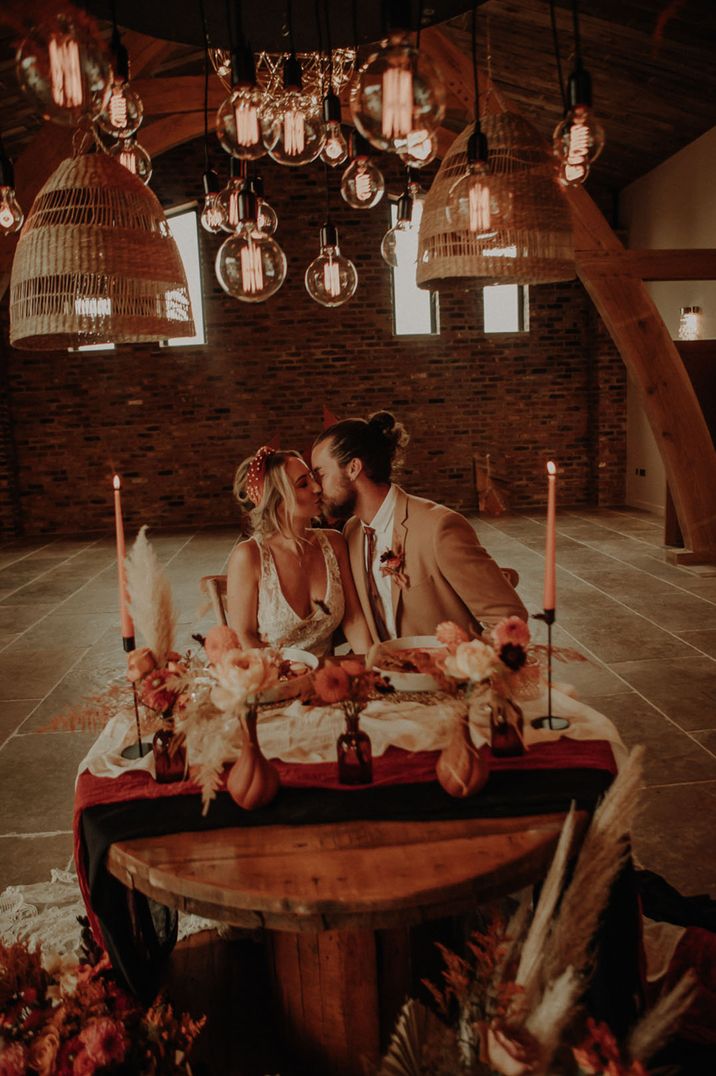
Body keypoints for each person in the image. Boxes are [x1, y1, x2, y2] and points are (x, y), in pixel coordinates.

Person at [311, 412, 528, 643]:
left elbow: (508, 618)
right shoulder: (352, 532)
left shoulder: (439, 528)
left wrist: (466, 669)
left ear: (353, 468)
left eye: (320, 474)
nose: (315, 488)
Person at [226, 446, 372, 656]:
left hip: (328, 677)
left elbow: (354, 619)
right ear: (276, 499)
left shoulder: (334, 543)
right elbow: (243, 636)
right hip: (275, 677)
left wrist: (373, 669)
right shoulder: (248, 557)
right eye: (303, 484)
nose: (317, 488)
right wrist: (285, 675)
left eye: (313, 477)